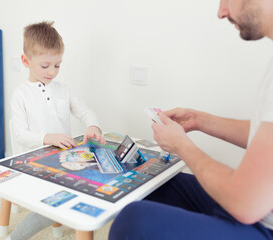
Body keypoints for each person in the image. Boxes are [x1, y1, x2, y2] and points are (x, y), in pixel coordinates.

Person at [109, 0, 273, 239]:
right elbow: (264, 134)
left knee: (132, 221)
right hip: (258, 207)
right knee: (147, 186)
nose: (221, 12)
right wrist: (199, 120)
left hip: (262, 223)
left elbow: (245, 204)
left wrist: (182, 147)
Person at [7, 21, 106, 240]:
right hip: (32, 163)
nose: (52, 72)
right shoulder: (21, 95)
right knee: (57, 201)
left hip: (62, 161)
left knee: (97, 182)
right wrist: (47, 138)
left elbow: (86, 112)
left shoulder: (63, 90)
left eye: (57, 65)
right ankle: (14, 238)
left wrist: (93, 125)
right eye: (45, 66)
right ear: (26, 61)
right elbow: (19, 134)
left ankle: (82, 222)